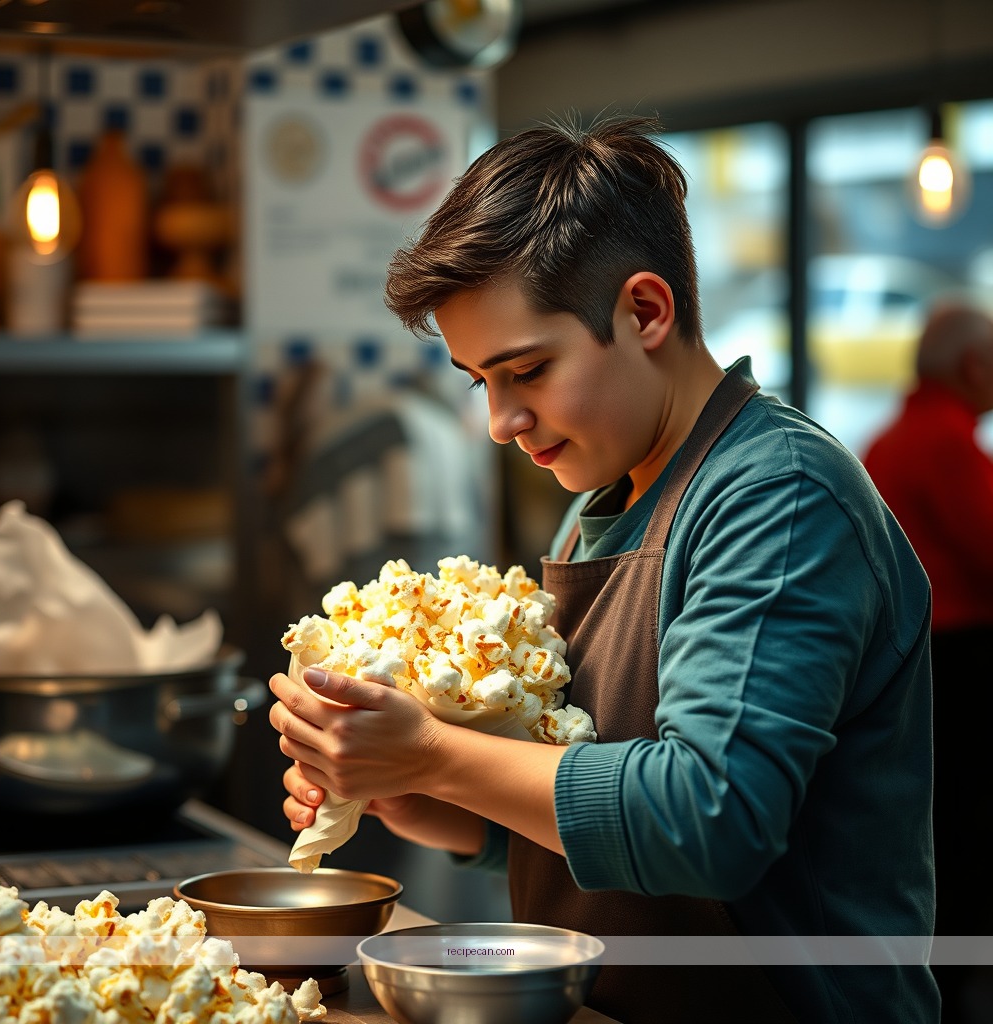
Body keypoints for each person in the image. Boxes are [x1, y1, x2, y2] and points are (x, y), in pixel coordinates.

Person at [269, 114, 939, 1024]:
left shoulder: (777, 497)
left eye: (527, 370)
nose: (501, 422)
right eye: (481, 381)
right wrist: (429, 798)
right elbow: (597, 811)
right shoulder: (604, 501)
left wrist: (434, 752)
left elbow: (706, 821)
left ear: (646, 311)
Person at [862, 301, 993, 1023]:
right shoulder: (945, 442)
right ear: (974, 366)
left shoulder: (889, 440)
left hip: (917, 666)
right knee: (964, 830)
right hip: (959, 668)